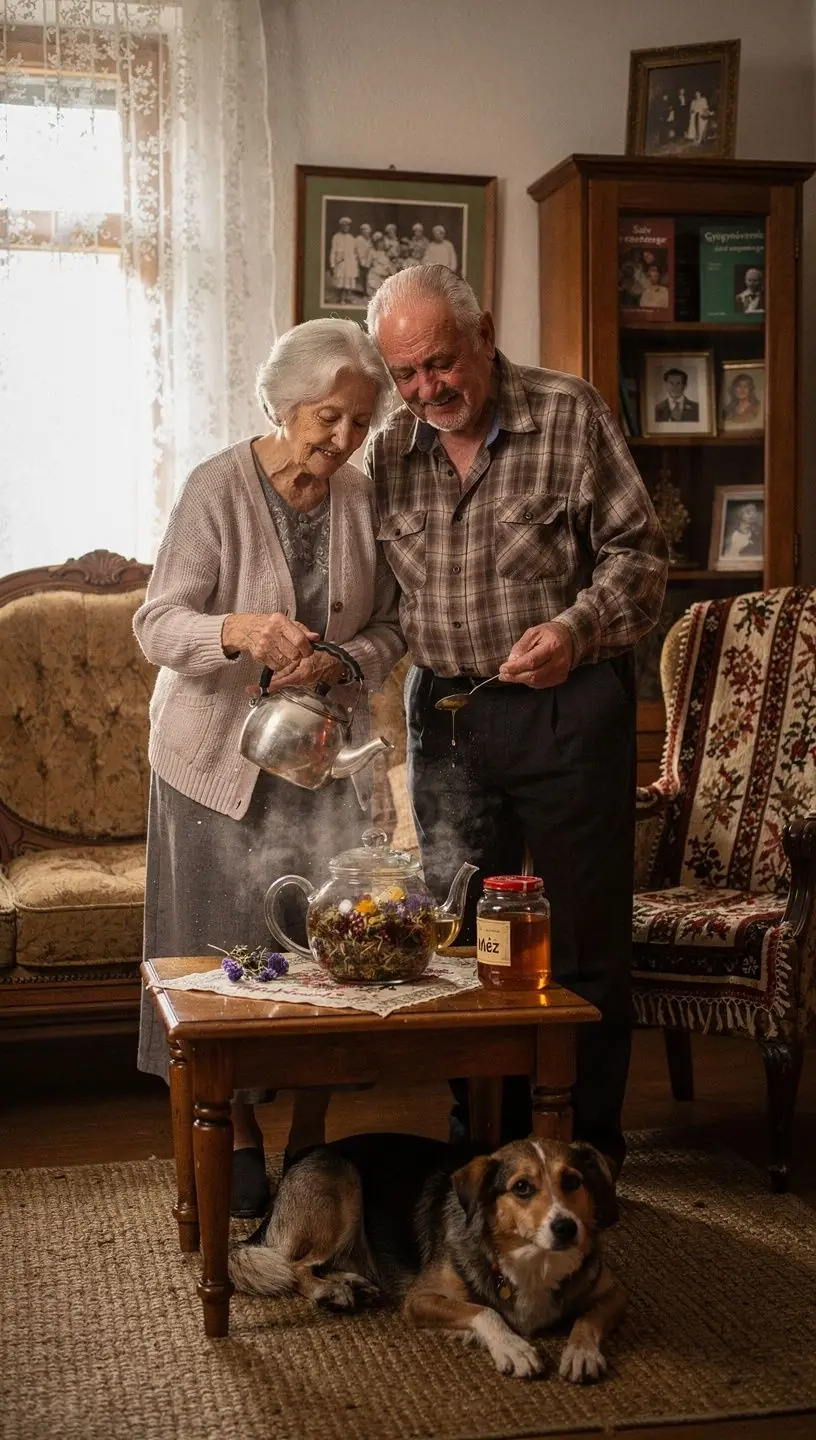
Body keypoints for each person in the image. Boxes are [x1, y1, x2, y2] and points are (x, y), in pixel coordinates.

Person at [365, 264, 668, 1175]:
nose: (427, 390)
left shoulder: (568, 413)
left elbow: (640, 554)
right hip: (447, 716)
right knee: (461, 937)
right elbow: (374, 601)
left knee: (582, 938)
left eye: (441, 364)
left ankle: (587, 1152)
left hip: (568, 705)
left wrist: (575, 632)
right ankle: (487, 1150)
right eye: (405, 374)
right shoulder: (387, 451)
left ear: (485, 334)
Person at [135, 319, 403, 1218]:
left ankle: (311, 1135)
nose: (344, 438)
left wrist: (340, 659)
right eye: (329, 417)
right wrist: (240, 630)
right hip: (211, 761)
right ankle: (239, 1133)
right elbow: (157, 624)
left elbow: (393, 627)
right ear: (283, 405)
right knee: (221, 957)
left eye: (360, 422)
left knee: (326, 949)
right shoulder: (216, 487)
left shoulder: (361, 498)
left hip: (318, 761)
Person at [329, 216, 359, 303]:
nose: (346, 227)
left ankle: (346, 297)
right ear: (341, 226)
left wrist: (355, 261)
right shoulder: (336, 237)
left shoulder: (351, 238)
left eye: (348, 225)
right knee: (341, 280)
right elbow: (333, 251)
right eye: (344, 225)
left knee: (349, 280)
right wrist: (332, 264)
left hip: (350, 262)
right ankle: (341, 298)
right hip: (340, 262)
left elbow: (354, 251)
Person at [354, 222, 374, 297]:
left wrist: (369, 261)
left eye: (368, 232)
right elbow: (359, 252)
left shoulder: (369, 240)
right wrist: (361, 262)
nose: (368, 233)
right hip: (360, 261)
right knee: (360, 276)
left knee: (366, 276)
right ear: (362, 232)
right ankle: (361, 291)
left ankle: (365, 290)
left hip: (367, 260)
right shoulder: (358, 239)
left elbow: (370, 250)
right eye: (366, 232)